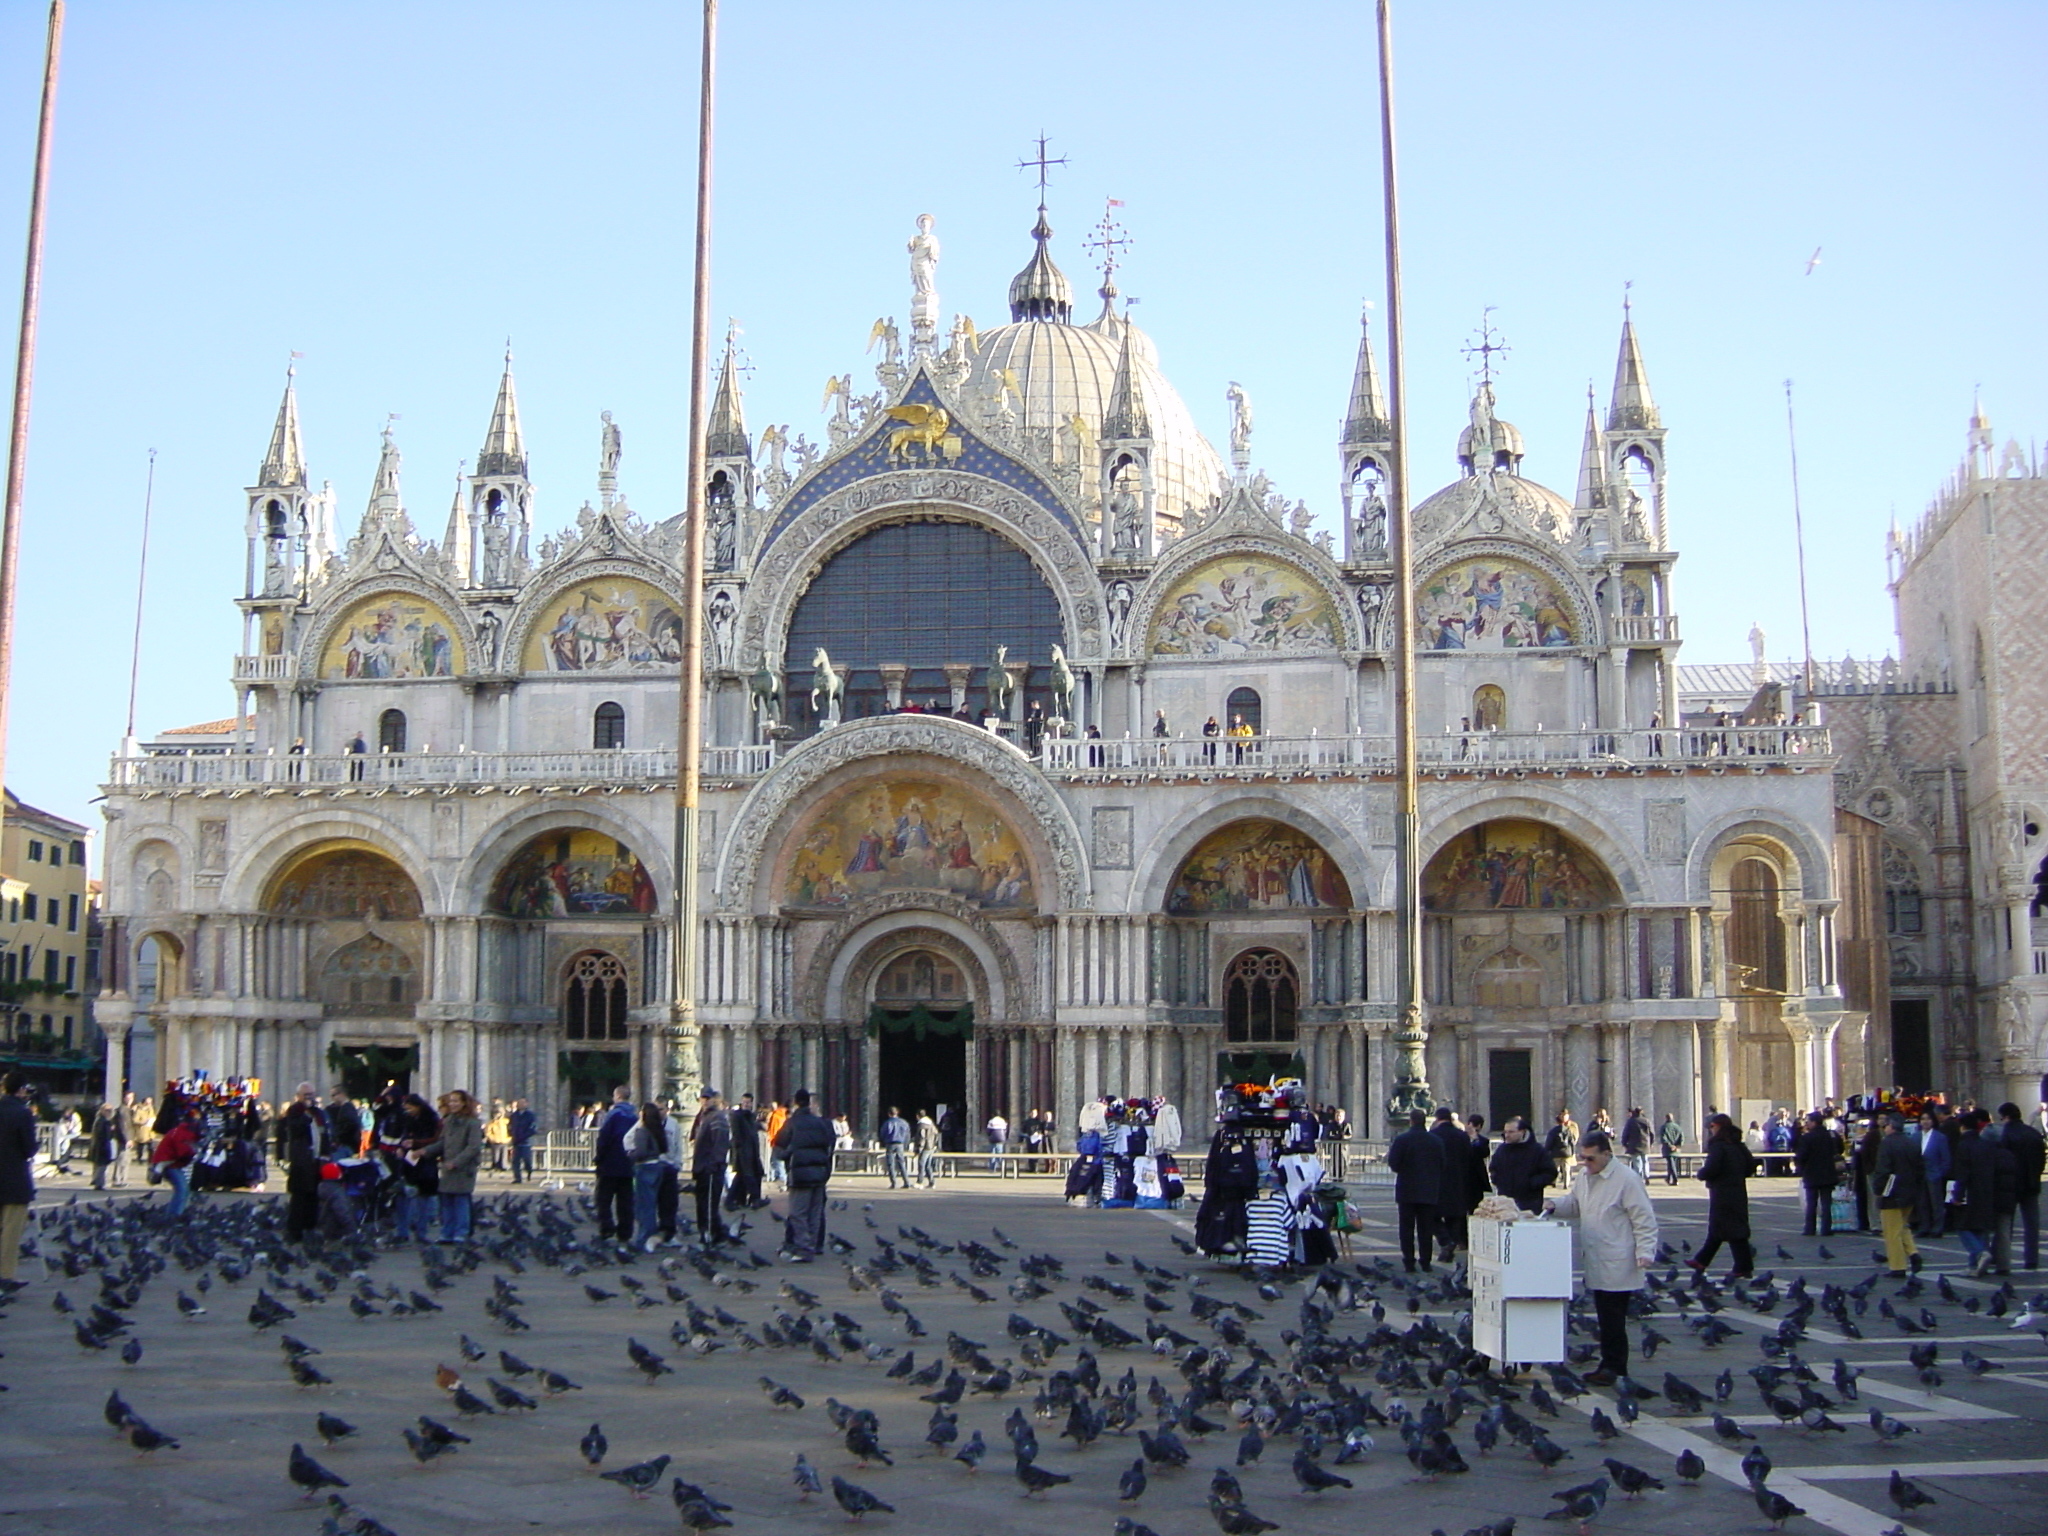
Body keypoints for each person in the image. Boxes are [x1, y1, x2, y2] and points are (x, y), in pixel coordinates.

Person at [1544, 1131, 1659, 1387]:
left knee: (1613, 1318)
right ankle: (1609, 1365)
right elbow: (1576, 1203)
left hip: (1619, 1258)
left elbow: (1643, 1219)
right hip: (1596, 1256)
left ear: (1607, 1154)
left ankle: (1615, 1368)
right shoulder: (1585, 1176)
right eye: (1582, 1158)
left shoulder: (1627, 1179)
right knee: (1605, 1316)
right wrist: (1555, 1205)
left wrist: (1645, 1252)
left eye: (1591, 1158)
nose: (1586, 1163)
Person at [1689, 1114, 1756, 1278]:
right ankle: (1702, 1260)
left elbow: (1712, 1167)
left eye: (1712, 1127)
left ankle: (1742, 1267)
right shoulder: (1738, 1145)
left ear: (1718, 1126)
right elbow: (1751, 1166)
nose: (1711, 1130)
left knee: (1728, 1229)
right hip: (1738, 1191)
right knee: (1727, 1229)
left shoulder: (1718, 1146)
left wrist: (1702, 1174)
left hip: (1722, 1193)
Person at [774, 1088, 835, 1261]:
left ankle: (804, 1248)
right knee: (814, 1213)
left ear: (795, 1103)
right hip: (819, 1174)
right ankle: (813, 1245)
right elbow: (828, 1146)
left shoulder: (792, 1123)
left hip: (800, 1174)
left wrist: (786, 1155)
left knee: (798, 1213)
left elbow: (779, 1145)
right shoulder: (821, 1123)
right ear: (809, 1103)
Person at [1385, 1108, 1445, 1273]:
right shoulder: (1436, 1141)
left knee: (1407, 1229)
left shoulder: (1402, 1140)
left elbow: (1394, 1164)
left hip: (1407, 1190)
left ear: (1411, 1121)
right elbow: (1443, 1164)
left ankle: (1409, 1261)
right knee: (1426, 1229)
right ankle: (1426, 1261)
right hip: (1429, 1190)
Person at [417, 1090, 482, 1242]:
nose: (452, 1104)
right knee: (446, 1200)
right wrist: (424, 1151)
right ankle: (447, 1232)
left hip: (463, 1168)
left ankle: (461, 1232)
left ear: (464, 1103)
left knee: (460, 1200)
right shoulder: (448, 1121)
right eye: (450, 1101)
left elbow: (473, 1147)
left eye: (456, 1101)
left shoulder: (472, 1122)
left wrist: (456, 1162)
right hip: (447, 1166)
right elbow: (442, 1142)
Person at [275, 1082, 332, 1241]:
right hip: (301, 1161)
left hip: (317, 1160)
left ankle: (310, 1228)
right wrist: (305, 1115)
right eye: (306, 1095)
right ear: (299, 1096)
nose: (310, 1098)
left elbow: (324, 1133)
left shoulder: (319, 1113)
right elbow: (295, 1130)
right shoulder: (294, 1111)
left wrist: (326, 1153)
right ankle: (295, 1232)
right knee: (299, 1197)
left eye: (312, 1094)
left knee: (314, 1196)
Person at [1950, 1108, 2004, 1276]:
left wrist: (1957, 1194)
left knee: (1963, 1226)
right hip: (1987, 1190)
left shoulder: (1964, 1145)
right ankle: (1975, 1266)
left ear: (1963, 1127)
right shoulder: (1986, 1144)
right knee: (1980, 1228)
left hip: (1970, 1191)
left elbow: (1963, 1173)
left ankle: (1980, 1252)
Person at [1871, 1112, 1925, 1276]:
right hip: (1910, 1191)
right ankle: (1913, 1253)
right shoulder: (1912, 1142)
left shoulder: (1887, 1144)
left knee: (1891, 1231)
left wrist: (1878, 1190)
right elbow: (1920, 1168)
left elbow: (1882, 1170)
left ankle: (1898, 1266)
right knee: (1902, 1226)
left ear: (1890, 1127)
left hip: (1891, 1192)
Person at [1996, 1102, 2044, 1270]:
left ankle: (2002, 1259)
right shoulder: (2033, 1133)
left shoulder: (2006, 1134)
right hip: (2031, 1183)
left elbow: (2002, 1160)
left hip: (2011, 1184)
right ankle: (2032, 1259)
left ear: (2005, 1116)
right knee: (2031, 1224)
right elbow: (2041, 1160)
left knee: (2004, 1223)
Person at [0, 1072, 36, 1280]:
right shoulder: (23, 1113)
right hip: (14, 1181)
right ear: (21, 1090)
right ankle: (4, 1276)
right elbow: (29, 1149)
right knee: (10, 1234)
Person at [591, 1085, 637, 1243]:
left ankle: (607, 1229)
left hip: (610, 1164)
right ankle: (625, 1232)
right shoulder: (635, 1116)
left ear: (617, 1097)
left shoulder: (613, 1114)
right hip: (629, 1165)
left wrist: (599, 1157)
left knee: (603, 1199)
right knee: (625, 1201)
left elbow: (604, 1138)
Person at [624, 1100, 670, 1252]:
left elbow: (641, 1152)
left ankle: (643, 1239)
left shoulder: (642, 1130)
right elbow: (663, 1148)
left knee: (644, 1206)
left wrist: (630, 1155)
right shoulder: (658, 1129)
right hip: (657, 1166)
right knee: (650, 1203)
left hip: (644, 1167)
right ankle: (648, 1237)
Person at [691, 1087, 733, 1249]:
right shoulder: (702, 1116)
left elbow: (721, 1144)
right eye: (703, 1098)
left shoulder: (718, 1117)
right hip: (701, 1167)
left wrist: (714, 1164)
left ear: (715, 1099)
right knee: (702, 1203)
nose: (705, 1101)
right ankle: (711, 1233)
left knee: (709, 1204)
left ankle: (711, 1235)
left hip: (711, 1168)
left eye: (708, 1098)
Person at [1430, 1107, 1473, 1255]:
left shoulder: (1433, 1135)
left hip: (1438, 1181)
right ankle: (1452, 1242)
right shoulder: (1462, 1136)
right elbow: (1469, 1157)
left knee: (1432, 1215)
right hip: (1459, 1180)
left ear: (1437, 1119)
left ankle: (1445, 1241)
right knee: (1454, 1216)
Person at [1487, 1115, 1552, 1214]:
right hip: (1505, 1202)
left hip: (1531, 1202)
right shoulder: (1502, 1150)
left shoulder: (1537, 1150)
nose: (1507, 1135)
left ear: (1522, 1132)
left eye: (1511, 1132)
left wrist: (1532, 1184)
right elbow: (1493, 1168)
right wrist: (1498, 1181)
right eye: (1505, 1132)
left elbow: (1550, 1172)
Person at [1794, 1111, 1844, 1237]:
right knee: (1827, 1202)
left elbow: (1801, 1156)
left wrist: (1801, 1167)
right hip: (1828, 1172)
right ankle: (1826, 1228)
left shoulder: (1807, 1137)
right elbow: (1840, 1149)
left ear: (1814, 1122)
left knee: (1812, 1203)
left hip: (1812, 1173)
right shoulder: (1831, 1135)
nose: (1807, 1124)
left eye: (1809, 1121)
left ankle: (1810, 1229)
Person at [152, 1105, 202, 1219]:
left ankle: (177, 1213)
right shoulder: (183, 1133)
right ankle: (173, 1216)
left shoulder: (182, 1130)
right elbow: (182, 1152)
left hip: (170, 1163)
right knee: (182, 1189)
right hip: (168, 1164)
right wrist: (195, 1152)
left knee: (183, 1189)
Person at [1915, 1109, 1951, 1238]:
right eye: (1923, 1119)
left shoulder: (1940, 1137)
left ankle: (1937, 1227)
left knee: (1936, 1203)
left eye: (1928, 1119)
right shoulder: (1915, 1136)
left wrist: (1940, 1173)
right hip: (1920, 1174)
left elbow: (1946, 1158)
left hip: (1934, 1173)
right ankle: (1924, 1226)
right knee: (1922, 1202)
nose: (1925, 1121)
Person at [728, 1093, 766, 1212]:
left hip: (752, 1150)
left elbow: (753, 1131)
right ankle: (755, 1199)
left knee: (744, 1176)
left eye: (748, 1102)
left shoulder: (751, 1116)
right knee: (748, 1176)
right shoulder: (737, 1115)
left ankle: (735, 1200)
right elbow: (737, 1135)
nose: (746, 1104)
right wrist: (739, 1149)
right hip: (744, 1151)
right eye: (744, 1102)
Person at [88, 1102, 127, 1191]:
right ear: (102, 1110)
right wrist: (112, 1130)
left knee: (99, 1165)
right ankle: (99, 1183)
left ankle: (97, 1181)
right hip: (102, 1146)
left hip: (99, 1145)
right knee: (102, 1166)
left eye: (110, 1110)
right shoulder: (104, 1121)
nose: (109, 1112)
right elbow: (105, 1135)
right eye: (107, 1110)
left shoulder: (100, 1120)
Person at [879, 1106, 912, 1188]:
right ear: (897, 1113)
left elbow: (883, 1133)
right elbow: (907, 1134)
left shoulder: (887, 1123)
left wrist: (883, 1141)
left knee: (891, 1163)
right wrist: (906, 1144)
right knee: (901, 1163)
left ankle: (894, 1183)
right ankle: (906, 1182)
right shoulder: (903, 1122)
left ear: (889, 1114)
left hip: (890, 1144)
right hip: (900, 1144)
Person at [1545, 1111, 1579, 1187]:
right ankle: (1566, 1184)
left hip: (1556, 1152)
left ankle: (1554, 1181)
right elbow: (1572, 1141)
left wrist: (1547, 1150)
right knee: (1566, 1168)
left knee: (1556, 1167)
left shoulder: (1553, 1131)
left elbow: (1550, 1142)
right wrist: (1573, 1151)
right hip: (1567, 1152)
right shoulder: (1569, 1130)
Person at [327, 1086, 363, 1159]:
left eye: (334, 1095)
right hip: (348, 1146)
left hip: (345, 1146)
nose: (332, 1098)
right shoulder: (346, 1108)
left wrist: (338, 1138)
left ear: (342, 1094)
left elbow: (351, 1124)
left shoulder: (347, 1108)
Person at [507, 1098, 537, 1184]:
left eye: (522, 1103)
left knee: (527, 1160)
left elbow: (533, 1128)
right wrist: (511, 1134)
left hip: (526, 1142)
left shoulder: (530, 1115)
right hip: (516, 1142)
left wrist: (524, 1136)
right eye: (518, 1103)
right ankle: (517, 1178)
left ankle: (529, 1171)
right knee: (515, 1161)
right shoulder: (514, 1115)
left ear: (526, 1104)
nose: (519, 1105)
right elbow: (510, 1126)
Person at [1619, 1107, 1652, 1180]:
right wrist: (1651, 1143)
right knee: (1645, 1160)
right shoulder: (1646, 1121)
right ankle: (1646, 1175)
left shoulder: (1630, 1121)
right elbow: (1652, 1133)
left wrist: (1624, 1143)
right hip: (1645, 1144)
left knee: (1637, 1162)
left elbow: (1626, 1133)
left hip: (1634, 1145)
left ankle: (1639, 1177)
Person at [1657, 1112, 1685, 1185]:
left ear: (1666, 1118)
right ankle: (1668, 1178)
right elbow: (1682, 1137)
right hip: (1676, 1149)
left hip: (1668, 1149)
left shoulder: (1664, 1127)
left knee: (1671, 1164)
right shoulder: (1678, 1127)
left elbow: (1663, 1138)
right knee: (1672, 1164)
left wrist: (1670, 1146)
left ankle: (1675, 1179)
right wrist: (1678, 1146)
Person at [914, 1109, 940, 1188]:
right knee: (928, 1165)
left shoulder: (922, 1125)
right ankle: (932, 1182)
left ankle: (920, 1182)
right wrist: (935, 1144)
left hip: (925, 1147)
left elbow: (922, 1137)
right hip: (931, 1146)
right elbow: (936, 1134)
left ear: (918, 1116)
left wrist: (919, 1148)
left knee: (921, 1164)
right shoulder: (931, 1124)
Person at [484, 1101, 510, 1173]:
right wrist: (492, 1139)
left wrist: (509, 1139)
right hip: (495, 1141)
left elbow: (510, 1130)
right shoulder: (491, 1123)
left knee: (504, 1155)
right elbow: (488, 1132)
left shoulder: (506, 1121)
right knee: (496, 1156)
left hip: (504, 1141)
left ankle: (503, 1166)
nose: (498, 1114)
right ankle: (495, 1166)